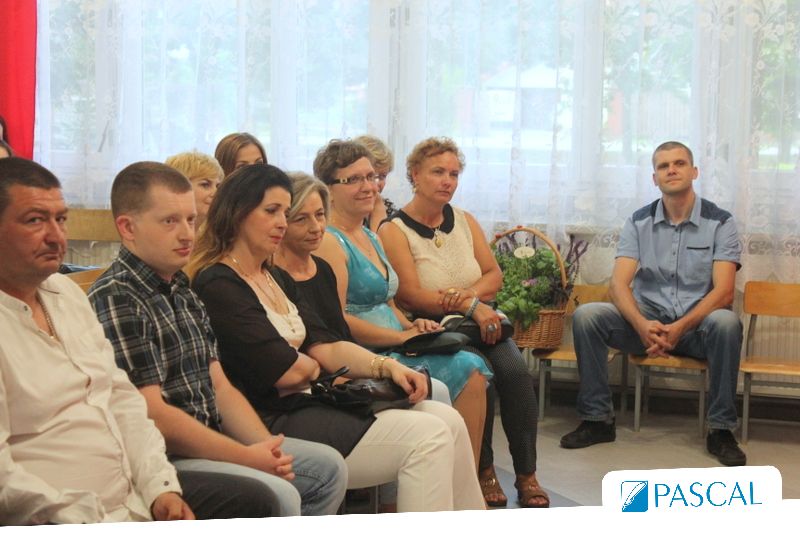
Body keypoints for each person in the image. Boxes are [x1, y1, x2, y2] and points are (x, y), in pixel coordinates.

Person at [187, 163, 486, 512]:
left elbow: (326, 345)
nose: (282, 222)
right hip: (270, 415)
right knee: (429, 437)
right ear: (237, 213)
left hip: (308, 399)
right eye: (271, 211)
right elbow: (285, 372)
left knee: (447, 419)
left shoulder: (273, 277)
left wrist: (385, 366)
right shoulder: (219, 282)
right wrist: (314, 365)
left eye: (285, 212)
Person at [0, 157, 277, 524]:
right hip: (63, 516)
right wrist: (86, 519)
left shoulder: (64, 295)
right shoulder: (115, 295)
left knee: (261, 501)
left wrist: (160, 487)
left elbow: (122, 400)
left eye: (61, 219)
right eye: (35, 220)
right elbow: (6, 481)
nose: (55, 236)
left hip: (131, 493)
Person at [88, 161, 348, 517]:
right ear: (128, 227)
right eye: (170, 221)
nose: (187, 234)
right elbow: (152, 413)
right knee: (278, 494)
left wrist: (265, 449)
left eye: (191, 220)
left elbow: (220, 388)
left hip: (211, 438)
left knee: (326, 468)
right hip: (163, 458)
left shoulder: (182, 291)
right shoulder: (119, 297)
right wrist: (246, 457)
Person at [379, 137, 548, 508]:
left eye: (454, 174)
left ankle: (526, 474)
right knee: (481, 377)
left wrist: (470, 303)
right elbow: (410, 295)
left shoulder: (466, 221)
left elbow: (494, 275)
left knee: (517, 374)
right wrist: (473, 304)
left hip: (480, 323)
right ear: (414, 174)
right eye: (438, 172)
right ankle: (483, 470)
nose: (447, 181)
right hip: (437, 330)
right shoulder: (393, 230)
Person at [559, 141, 746, 466]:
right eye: (663, 166)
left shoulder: (721, 221)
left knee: (727, 322)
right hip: (647, 325)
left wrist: (680, 327)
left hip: (696, 329)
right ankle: (597, 420)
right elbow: (618, 285)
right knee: (588, 316)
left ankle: (720, 430)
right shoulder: (638, 221)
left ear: (694, 172)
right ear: (654, 177)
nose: (671, 170)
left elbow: (724, 292)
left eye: (679, 163)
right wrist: (642, 325)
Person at [311, 140, 492, 469]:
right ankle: (455, 476)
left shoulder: (370, 235)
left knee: (473, 365)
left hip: (398, 341)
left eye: (371, 177)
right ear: (329, 189)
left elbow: (388, 302)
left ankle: (466, 475)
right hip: (366, 353)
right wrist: (401, 337)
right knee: (469, 367)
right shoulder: (329, 241)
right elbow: (337, 320)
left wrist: (412, 325)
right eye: (354, 180)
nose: (369, 187)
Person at [164, 151, 223, 226]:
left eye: (218, 186)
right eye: (205, 185)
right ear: (178, 186)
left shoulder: (218, 230)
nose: (216, 193)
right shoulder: (160, 230)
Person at [353, 135, 396, 231]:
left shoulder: (389, 209)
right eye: (371, 176)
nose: (376, 185)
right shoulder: (341, 210)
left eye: (382, 177)